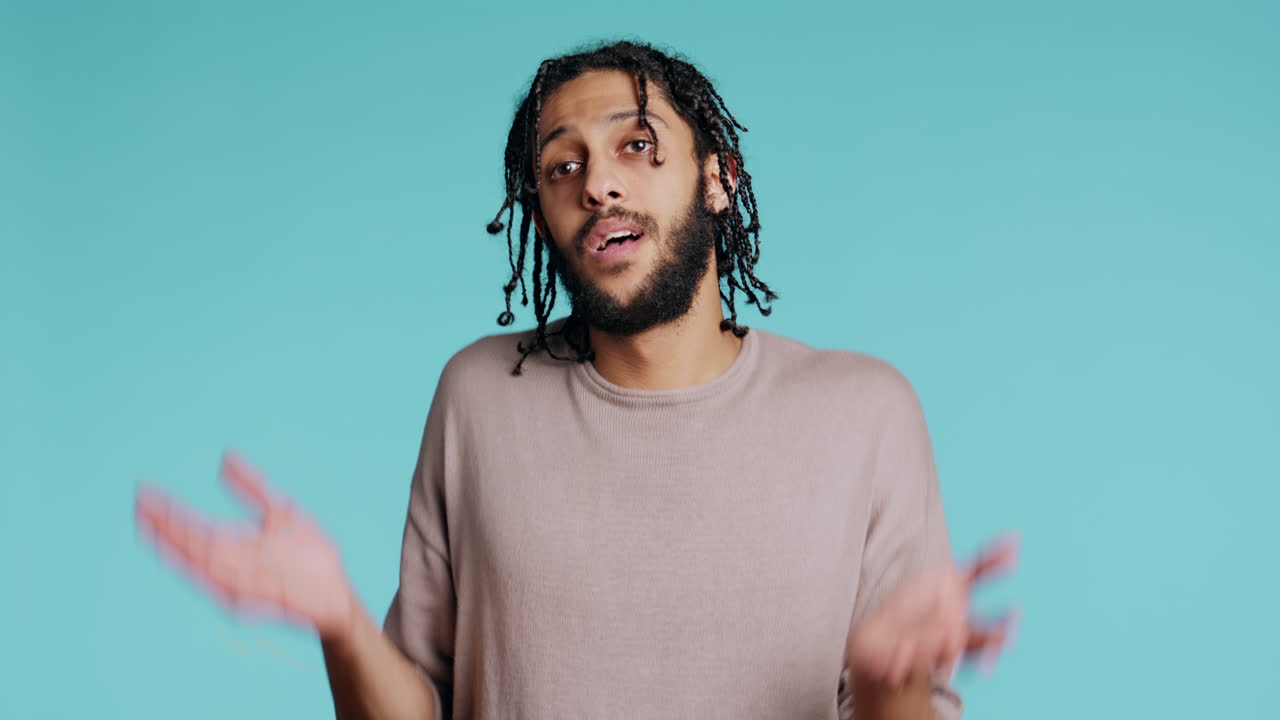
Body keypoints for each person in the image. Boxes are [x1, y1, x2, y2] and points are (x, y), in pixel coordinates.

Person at [134, 39, 1019, 720]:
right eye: (564, 166)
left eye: (637, 145)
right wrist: (340, 622)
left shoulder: (862, 413)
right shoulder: (480, 395)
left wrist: (886, 683)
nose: (598, 184)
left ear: (718, 180)